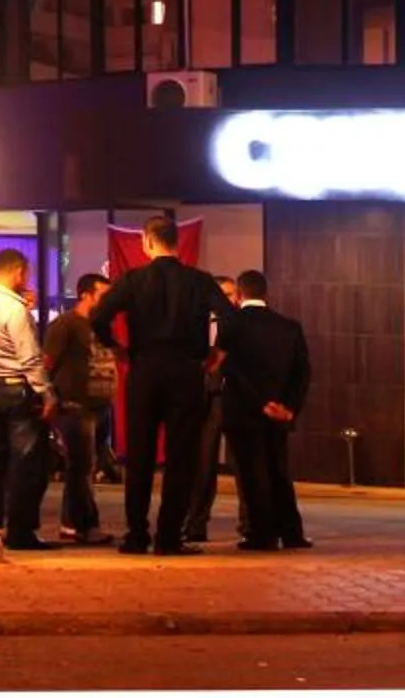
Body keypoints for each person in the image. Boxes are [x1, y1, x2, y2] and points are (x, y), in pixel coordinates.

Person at [91, 212, 234, 554]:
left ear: (147, 241)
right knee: (181, 456)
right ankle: (169, 536)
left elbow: (98, 315)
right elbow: (230, 317)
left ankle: (136, 534)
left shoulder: (133, 280)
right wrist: (217, 352)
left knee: (139, 455)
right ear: (175, 241)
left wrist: (115, 347)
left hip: (144, 370)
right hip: (186, 372)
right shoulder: (198, 281)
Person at [0, 249, 58, 549]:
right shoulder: (14, 309)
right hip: (17, 388)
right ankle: (20, 532)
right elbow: (30, 357)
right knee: (26, 462)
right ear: (19, 271)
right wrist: (47, 394)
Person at [220, 270, 314, 551]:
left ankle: (262, 534)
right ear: (266, 293)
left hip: (244, 413)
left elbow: (232, 371)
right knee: (278, 472)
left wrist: (259, 403)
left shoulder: (232, 326)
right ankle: (292, 533)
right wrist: (288, 408)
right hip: (280, 415)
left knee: (252, 476)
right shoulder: (289, 327)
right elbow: (303, 373)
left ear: (239, 294)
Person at [42, 275, 113, 544]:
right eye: (103, 295)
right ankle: (84, 525)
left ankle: (71, 523)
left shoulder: (99, 326)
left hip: (98, 406)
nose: (108, 301)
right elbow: (47, 362)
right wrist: (49, 398)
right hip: (74, 406)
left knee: (85, 468)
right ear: (86, 295)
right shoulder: (65, 325)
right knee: (81, 467)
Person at [182, 274, 241, 546]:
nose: (227, 300)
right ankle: (195, 524)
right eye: (223, 295)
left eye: (231, 295)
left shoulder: (243, 325)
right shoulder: (196, 325)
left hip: (238, 397)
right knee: (203, 465)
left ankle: (250, 524)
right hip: (207, 398)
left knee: (243, 464)